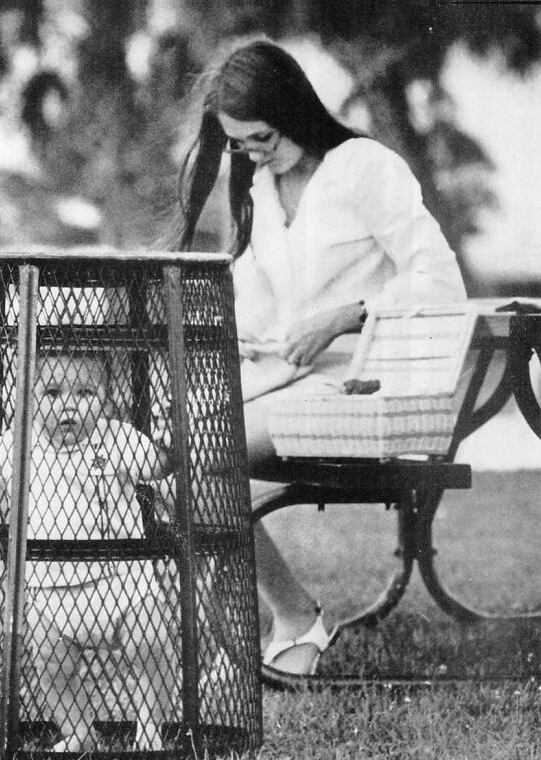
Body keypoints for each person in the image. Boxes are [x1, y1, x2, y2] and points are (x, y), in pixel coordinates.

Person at [175, 38, 467, 687]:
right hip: (291, 387)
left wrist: (347, 313)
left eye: (262, 136)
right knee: (167, 449)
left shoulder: (363, 167)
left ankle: (294, 617)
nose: (253, 152)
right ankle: (257, 624)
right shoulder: (261, 188)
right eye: (240, 144)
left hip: (368, 393)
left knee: (198, 456)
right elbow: (263, 309)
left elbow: (442, 282)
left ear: (295, 109)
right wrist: (244, 336)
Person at [0, 347, 176, 751]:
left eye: (85, 393)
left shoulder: (117, 437)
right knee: (52, 665)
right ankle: (79, 733)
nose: (68, 405)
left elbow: (156, 464)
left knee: (150, 644)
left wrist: (168, 442)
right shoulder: (18, 445)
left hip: (121, 584)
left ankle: (151, 731)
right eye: (52, 393)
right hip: (49, 593)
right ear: (29, 399)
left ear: (106, 400)